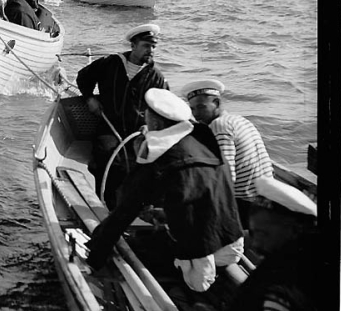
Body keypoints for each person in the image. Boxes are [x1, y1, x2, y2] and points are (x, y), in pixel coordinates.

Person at [86, 88, 245, 294]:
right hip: (233, 244)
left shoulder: (158, 158)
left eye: (147, 117)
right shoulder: (204, 140)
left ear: (156, 123)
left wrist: (93, 256)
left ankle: (180, 294)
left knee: (132, 247)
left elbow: (123, 214)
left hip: (201, 259)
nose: (144, 122)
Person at [206, 176, 322, 311]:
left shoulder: (279, 293)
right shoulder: (306, 262)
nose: (256, 244)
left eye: (263, 234)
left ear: (294, 230)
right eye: (254, 233)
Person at [76, 23, 169, 208]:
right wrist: (89, 98)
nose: (151, 50)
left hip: (139, 131)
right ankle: (105, 205)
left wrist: (151, 126)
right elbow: (83, 77)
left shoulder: (156, 76)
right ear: (133, 46)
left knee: (150, 166)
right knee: (107, 158)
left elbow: (165, 108)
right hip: (109, 125)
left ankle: (142, 209)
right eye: (146, 46)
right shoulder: (110, 63)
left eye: (154, 46)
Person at [181, 79, 274, 227]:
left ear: (216, 103)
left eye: (201, 107)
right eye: (192, 109)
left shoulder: (219, 126)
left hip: (245, 204)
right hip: (266, 199)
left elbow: (226, 176)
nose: (196, 114)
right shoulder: (239, 120)